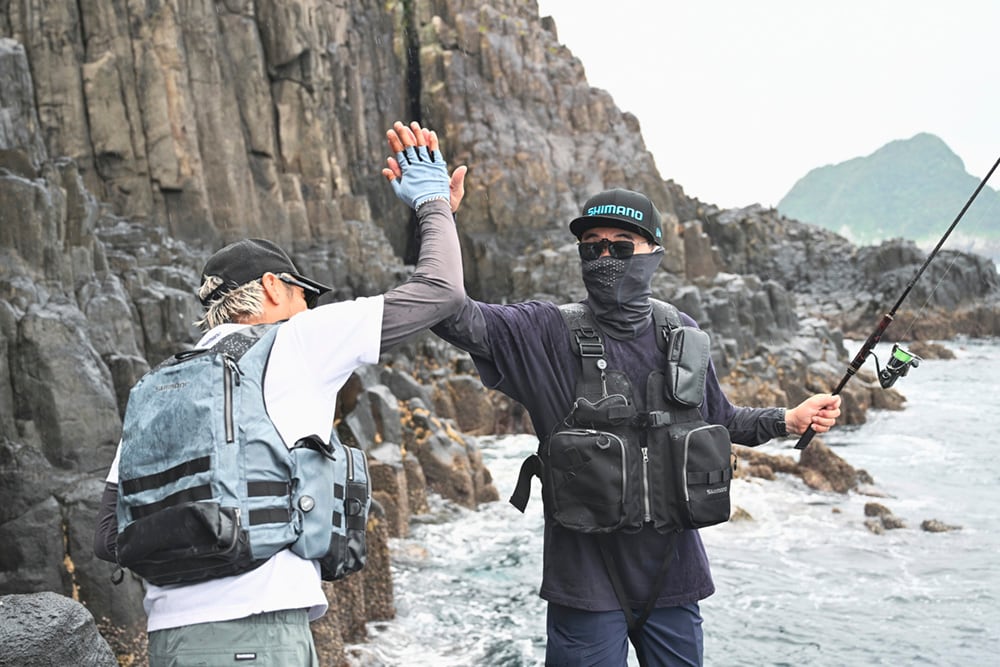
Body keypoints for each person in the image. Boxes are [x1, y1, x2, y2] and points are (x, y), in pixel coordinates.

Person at [380, 173, 841, 665]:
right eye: (591, 246)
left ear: (654, 252)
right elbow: (450, 310)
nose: (604, 258)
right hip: (584, 584)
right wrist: (436, 211)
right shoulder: (543, 331)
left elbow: (720, 419)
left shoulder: (680, 331)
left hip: (674, 577)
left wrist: (786, 420)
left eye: (622, 246)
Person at [94, 120, 467, 666]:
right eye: (303, 294)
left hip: (169, 643)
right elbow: (440, 292)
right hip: (260, 640)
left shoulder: (158, 387)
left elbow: (108, 536)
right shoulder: (295, 342)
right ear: (272, 287)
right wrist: (434, 203)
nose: (310, 308)